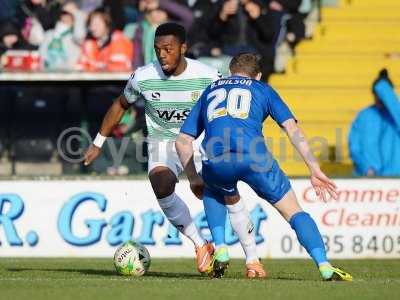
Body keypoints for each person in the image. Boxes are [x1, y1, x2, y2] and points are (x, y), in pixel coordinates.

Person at [175, 53, 353, 280]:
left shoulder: (211, 90)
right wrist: (314, 168)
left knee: (212, 185)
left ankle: (220, 247)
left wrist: (193, 178)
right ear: (257, 75)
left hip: (217, 159)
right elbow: (292, 129)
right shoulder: (263, 89)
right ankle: (324, 266)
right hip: (255, 158)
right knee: (293, 211)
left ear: (231, 71)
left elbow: (182, 141)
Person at [83, 22, 223, 275]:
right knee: (161, 184)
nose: (162, 55)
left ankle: (246, 257)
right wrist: (98, 142)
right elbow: (120, 104)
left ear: (183, 48)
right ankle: (201, 245)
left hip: (199, 143)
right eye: (157, 49)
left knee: (221, 190)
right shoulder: (144, 77)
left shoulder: (208, 76)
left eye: (168, 49)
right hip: (162, 143)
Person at [349, 69, 400, 176]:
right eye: (377, 94)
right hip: (368, 179)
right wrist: (366, 168)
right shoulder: (364, 116)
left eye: (384, 94)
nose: (380, 98)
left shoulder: (396, 115)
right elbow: (354, 147)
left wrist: (385, 90)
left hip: (395, 179)